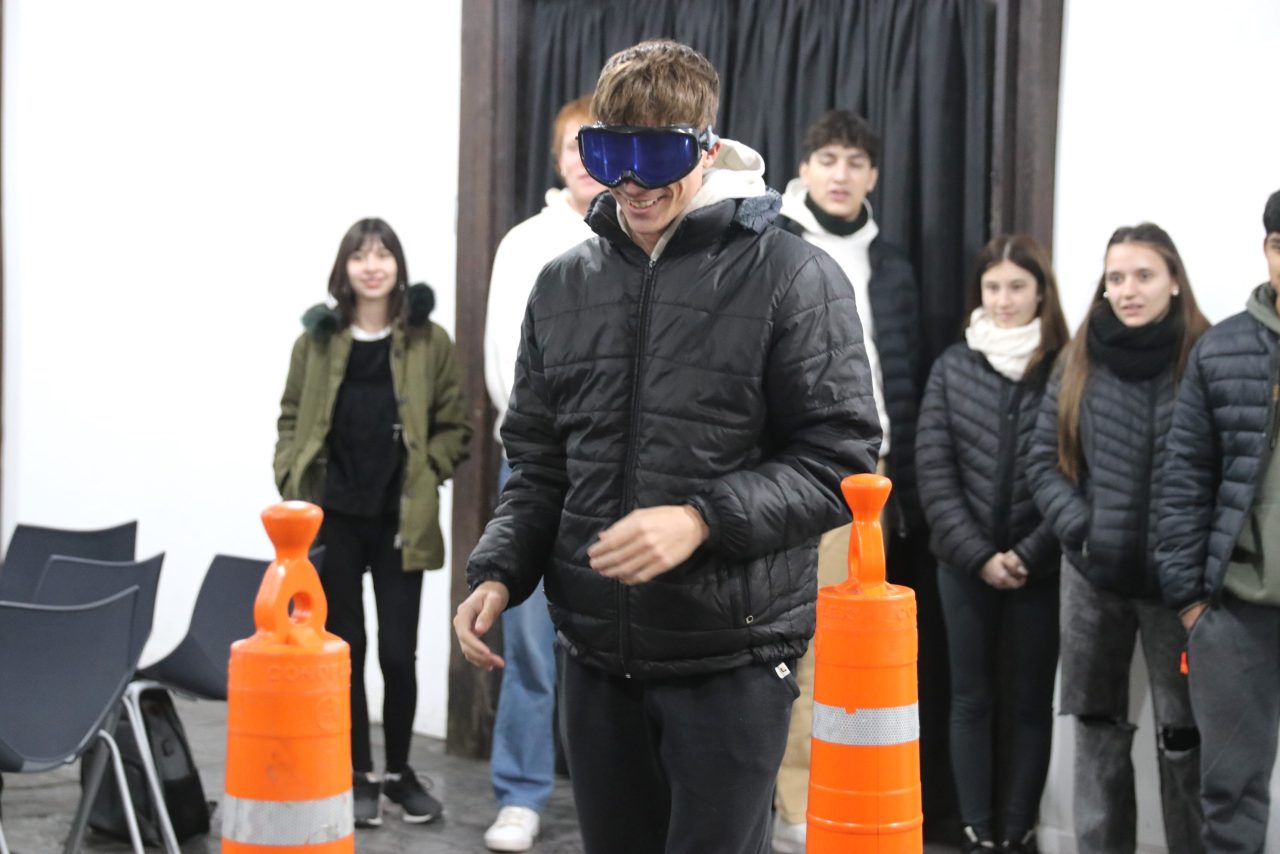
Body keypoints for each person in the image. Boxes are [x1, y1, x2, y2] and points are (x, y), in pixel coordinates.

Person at [454, 39, 879, 854]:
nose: (633, 182)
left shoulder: (793, 275)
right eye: (610, 155)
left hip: (732, 661)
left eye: (659, 156)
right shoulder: (562, 285)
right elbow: (539, 462)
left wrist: (701, 519)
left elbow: (842, 461)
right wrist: (500, 569)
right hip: (598, 661)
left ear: (708, 150)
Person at [273, 218, 470, 828]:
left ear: (398, 266)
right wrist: (288, 470)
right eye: (360, 255)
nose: (372, 265)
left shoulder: (430, 341)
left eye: (383, 254)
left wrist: (429, 468)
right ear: (345, 268)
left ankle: (400, 774)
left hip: (399, 519)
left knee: (398, 653)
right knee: (346, 650)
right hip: (333, 517)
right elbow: (290, 415)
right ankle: (358, 774)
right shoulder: (315, 341)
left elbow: (455, 424)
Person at [769, 108, 923, 853]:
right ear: (804, 168)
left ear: (874, 176)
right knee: (793, 638)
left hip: (873, 475)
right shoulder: (774, 244)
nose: (841, 174)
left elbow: (904, 376)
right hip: (794, 464)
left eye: (856, 162)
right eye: (827, 158)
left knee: (846, 645)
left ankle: (829, 800)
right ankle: (791, 805)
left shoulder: (891, 264)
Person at [1027, 223, 1208, 854]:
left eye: (1144, 275)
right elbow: (1043, 462)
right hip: (1092, 578)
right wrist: (1083, 530)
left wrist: (1193, 553)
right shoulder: (1080, 356)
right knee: (1098, 730)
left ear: (1174, 281)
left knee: (1186, 735)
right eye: (1116, 278)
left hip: (1179, 587)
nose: (1128, 290)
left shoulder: (1205, 356)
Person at [480, 94, 605, 853]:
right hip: (539, 468)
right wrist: (551, 446)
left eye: (598, 147)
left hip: (619, 477)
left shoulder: (647, 232)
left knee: (614, 644)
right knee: (527, 642)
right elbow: (505, 365)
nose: (586, 162)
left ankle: (612, 800)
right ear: (557, 160)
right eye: (572, 148)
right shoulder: (527, 242)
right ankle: (520, 793)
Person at [917, 235, 1069, 853]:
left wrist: (1031, 552)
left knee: (1031, 704)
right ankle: (978, 831)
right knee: (970, 699)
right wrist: (979, 555)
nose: (1004, 300)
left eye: (1017, 287)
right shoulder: (953, 367)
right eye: (993, 287)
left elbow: (1076, 472)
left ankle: (1018, 831)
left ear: (1041, 293)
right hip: (963, 565)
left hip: (1042, 565)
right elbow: (933, 470)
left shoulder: (1066, 368)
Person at [1158, 189, 1280, 853]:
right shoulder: (1221, 350)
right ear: (1267, 250)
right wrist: (1191, 604)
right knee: (1230, 797)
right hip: (1235, 612)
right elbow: (1184, 481)